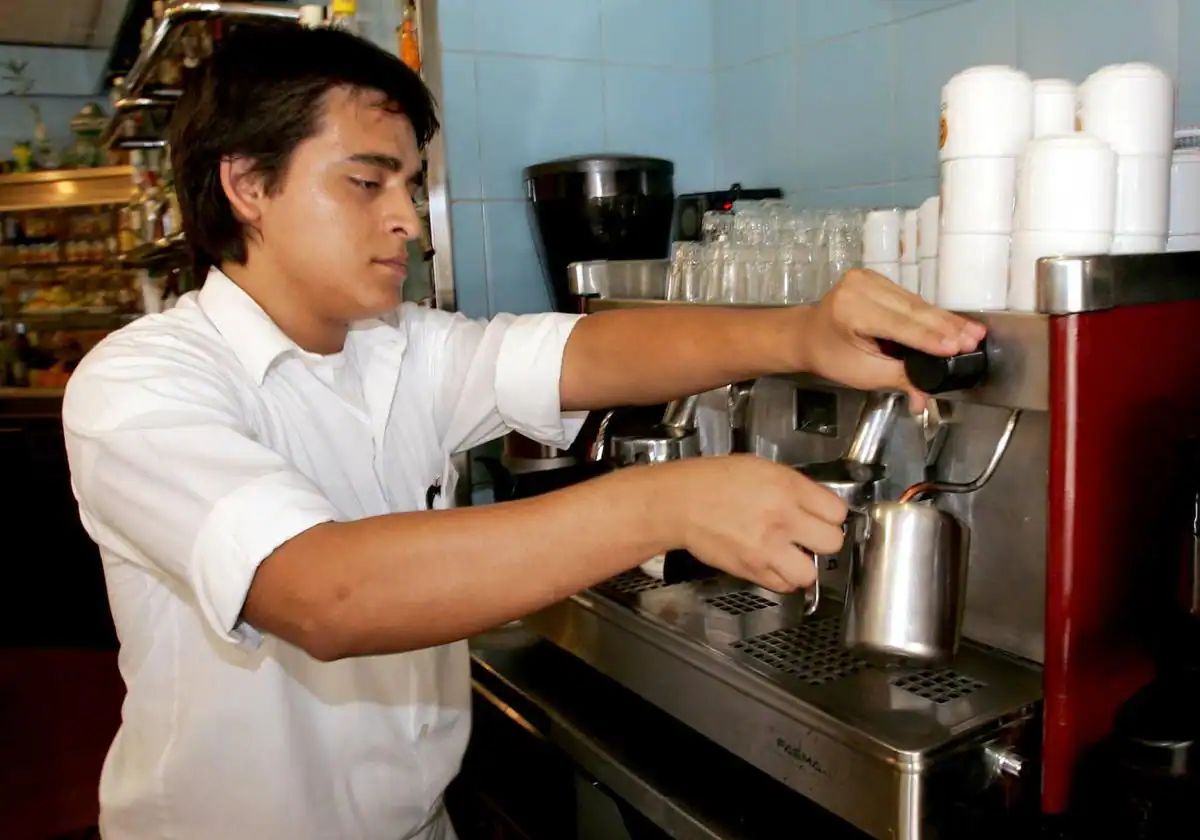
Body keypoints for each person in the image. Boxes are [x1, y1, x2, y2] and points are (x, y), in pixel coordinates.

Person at [62, 23, 985, 840]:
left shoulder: (397, 349)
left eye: (412, 185)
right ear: (247, 185)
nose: (408, 222)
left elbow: (583, 353)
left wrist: (798, 335)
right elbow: (322, 595)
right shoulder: (142, 387)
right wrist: (665, 503)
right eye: (366, 182)